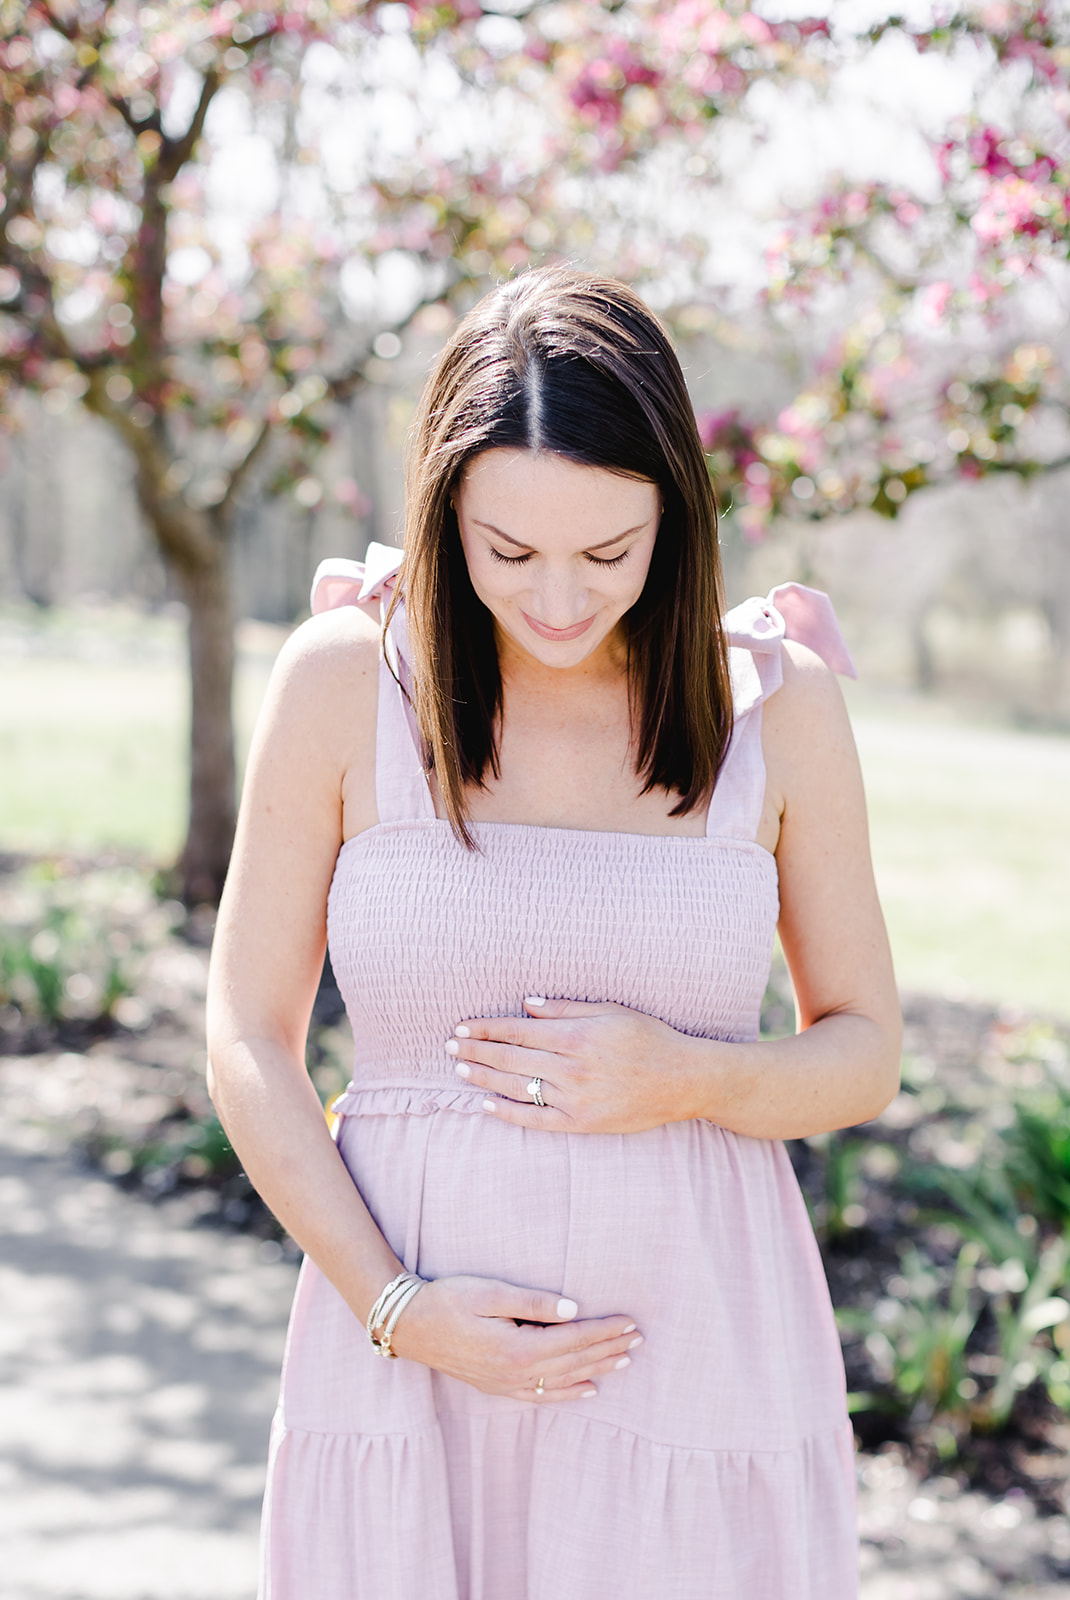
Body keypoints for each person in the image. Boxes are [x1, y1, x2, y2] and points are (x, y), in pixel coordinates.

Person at [206, 266, 902, 1600]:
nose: (562, 602)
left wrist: (693, 1076)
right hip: (408, 1364)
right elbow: (246, 1033)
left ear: (675, 522)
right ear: (444, 512)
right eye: (508, 552)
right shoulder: (349, 683)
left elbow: (863, 1052)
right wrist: (396, 1308)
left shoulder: (777, 707)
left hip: (696, 1361)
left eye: (609, 552)